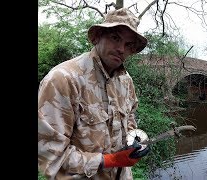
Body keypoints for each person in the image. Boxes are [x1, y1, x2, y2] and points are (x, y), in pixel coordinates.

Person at [38, 8, 150, 180]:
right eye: (115, 38)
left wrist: (135, 139)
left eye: (128, 45)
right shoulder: (63, 80)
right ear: (97, 36)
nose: (121, 48)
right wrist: (109, 160)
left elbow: (130, 121)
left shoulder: (126, 81)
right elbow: (50, 155)